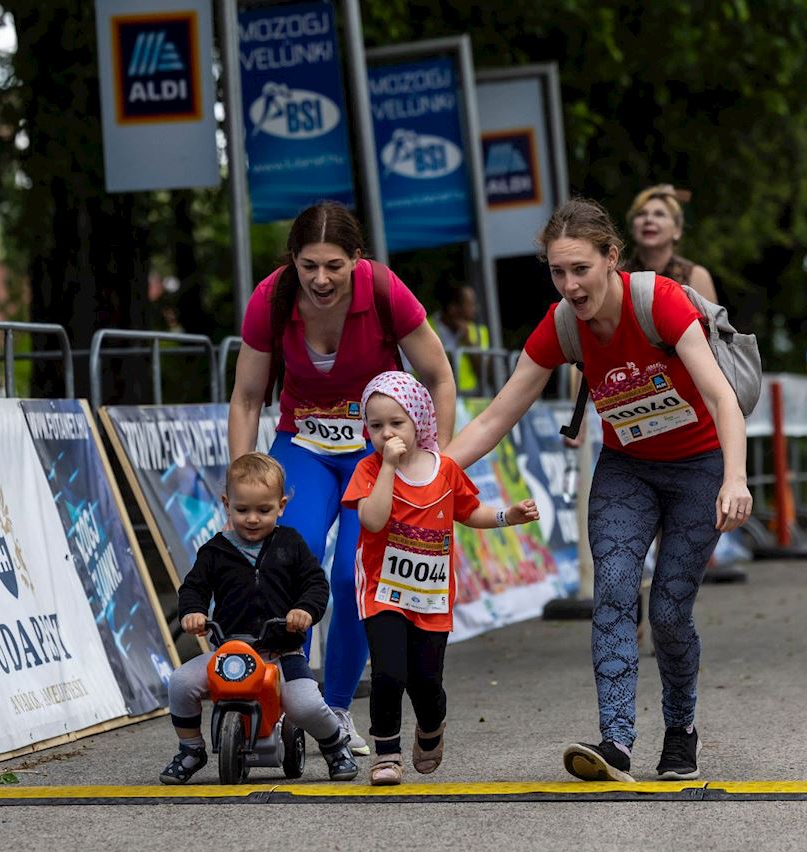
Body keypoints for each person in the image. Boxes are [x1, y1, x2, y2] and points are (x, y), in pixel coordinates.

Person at [444, 198, 752, 783]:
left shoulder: (656, 301)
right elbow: (494, 419)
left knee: (666, 611)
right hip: (627, 468)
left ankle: (681, 728)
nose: (570, 286)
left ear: (612, 258)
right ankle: (616, 742)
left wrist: (734, 478)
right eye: (558, 272)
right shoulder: (562, 324)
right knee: (611, 591)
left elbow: (721, 397)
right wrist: (432, 475)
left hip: (699, 466)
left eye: (580, 269)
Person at [228, 202, 456, 755]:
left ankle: (334, 710)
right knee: (286, 555)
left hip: (373, 455)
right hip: (303, 444)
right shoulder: (271, 298)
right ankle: (284, 694)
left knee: (357, 574)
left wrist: (435, 466)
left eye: (334, 265)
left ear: (357, 259)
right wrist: (242, 480)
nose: (321, 279)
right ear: (293, 262)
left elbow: (439, 377)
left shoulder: (384, 291)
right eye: (309, 266)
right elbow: (248, 396)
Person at [341, 372, 538, 786]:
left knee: (426, 681)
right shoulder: (369, 469)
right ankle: (387, 754)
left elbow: (470, 513)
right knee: (389, 673)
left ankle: (431, 727)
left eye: (396, 423)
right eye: (375, 426)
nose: (386, 433)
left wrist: (507, 516)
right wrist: (388, 467)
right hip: (383, 591)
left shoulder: (444, 469)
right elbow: (372, 521)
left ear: (418, 420)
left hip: (430, 595)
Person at [161, 453, 358, 784]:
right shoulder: (215, 551)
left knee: (304, 704)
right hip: (231, 651)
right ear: (227, 504)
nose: (252, 519)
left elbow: (314, 584)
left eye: (263, 510)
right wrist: (193, 612)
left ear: (280, 506)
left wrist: (305, 611)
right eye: (242, 510)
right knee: (181, 682)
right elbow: (193, 588)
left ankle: (335, 744)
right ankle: (191, 748)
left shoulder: (290, 544)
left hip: (281, 652)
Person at [623, 185, 718, 303]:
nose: (648, 219)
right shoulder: (617, 275)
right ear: (632, 228)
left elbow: (711, 321)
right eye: (641, 214)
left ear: (677, 230)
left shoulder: (696, 276)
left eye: (659, 214)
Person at [428, 281, 491, 394]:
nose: (475, 309)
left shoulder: (478, 332)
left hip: (471, 397)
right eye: (470, 304)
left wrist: (468, 342)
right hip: (434, 394)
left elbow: (484, 372)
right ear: (453, 308)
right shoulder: (427, 327)